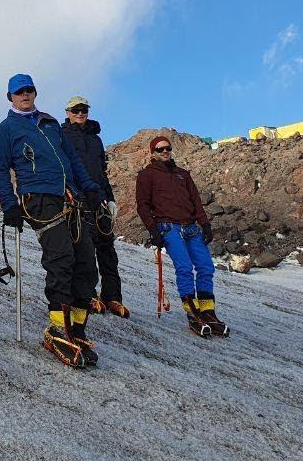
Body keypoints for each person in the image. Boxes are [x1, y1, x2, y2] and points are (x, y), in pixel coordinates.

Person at [0, 74, 103, 368]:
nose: (25, 95)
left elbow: (73, 160)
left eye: (29, 90)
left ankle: (76, 330)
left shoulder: (51, 123)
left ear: (35, 92)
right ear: (10, 97)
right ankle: (58, 329)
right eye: (19, 92)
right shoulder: (6, 129)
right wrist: (9, 205)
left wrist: (90, 187)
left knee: (86, 264)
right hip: (39, 198)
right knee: (61, 258)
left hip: (70, 197)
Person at [134, 135, 229, 336]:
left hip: (191, 227)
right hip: (169, 228)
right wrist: (153, 230)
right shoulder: (146, 175)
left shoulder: (183, 174)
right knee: (184, 268)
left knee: (206, 267)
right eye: (160, 149)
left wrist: (205, 224)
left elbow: (196, 201)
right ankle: (193, 313)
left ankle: (208, 312)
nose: (165, 151)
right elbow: (142, 205)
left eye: (167, 148)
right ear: (153, 153)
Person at [60, 95, 128, 318]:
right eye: (76, 110)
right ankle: (87, 294)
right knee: (85, 249)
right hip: (78, 199)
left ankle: (112, 296)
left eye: (84, 109)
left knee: (107, 249)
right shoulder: (62, 135)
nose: (80, 113)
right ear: (68, 113)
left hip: (99, 198)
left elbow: (101, 172)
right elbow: (63, 169)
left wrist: (110, 198)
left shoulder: (96, 139)